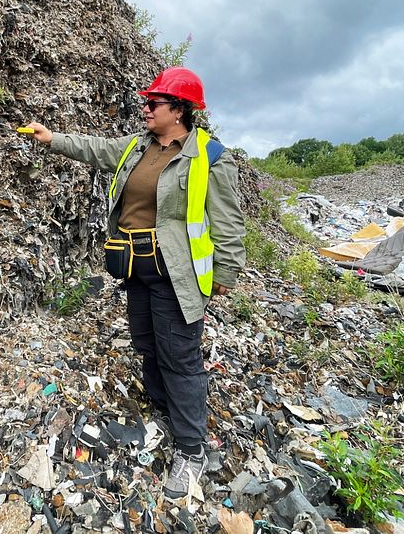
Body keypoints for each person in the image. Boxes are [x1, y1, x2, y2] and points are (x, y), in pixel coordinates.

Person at [25, 66, 245, 498]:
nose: (145, 109)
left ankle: (190, 449)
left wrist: (227, 271)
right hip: (134, 266)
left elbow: (228, 220)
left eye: (153, 103)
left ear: (179, 110)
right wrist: (50, 138)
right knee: (147, 344)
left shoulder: (210, 156)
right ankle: (165, 409)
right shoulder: (137, 148)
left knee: (180, 355)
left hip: (176, 272)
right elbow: (93, 148)